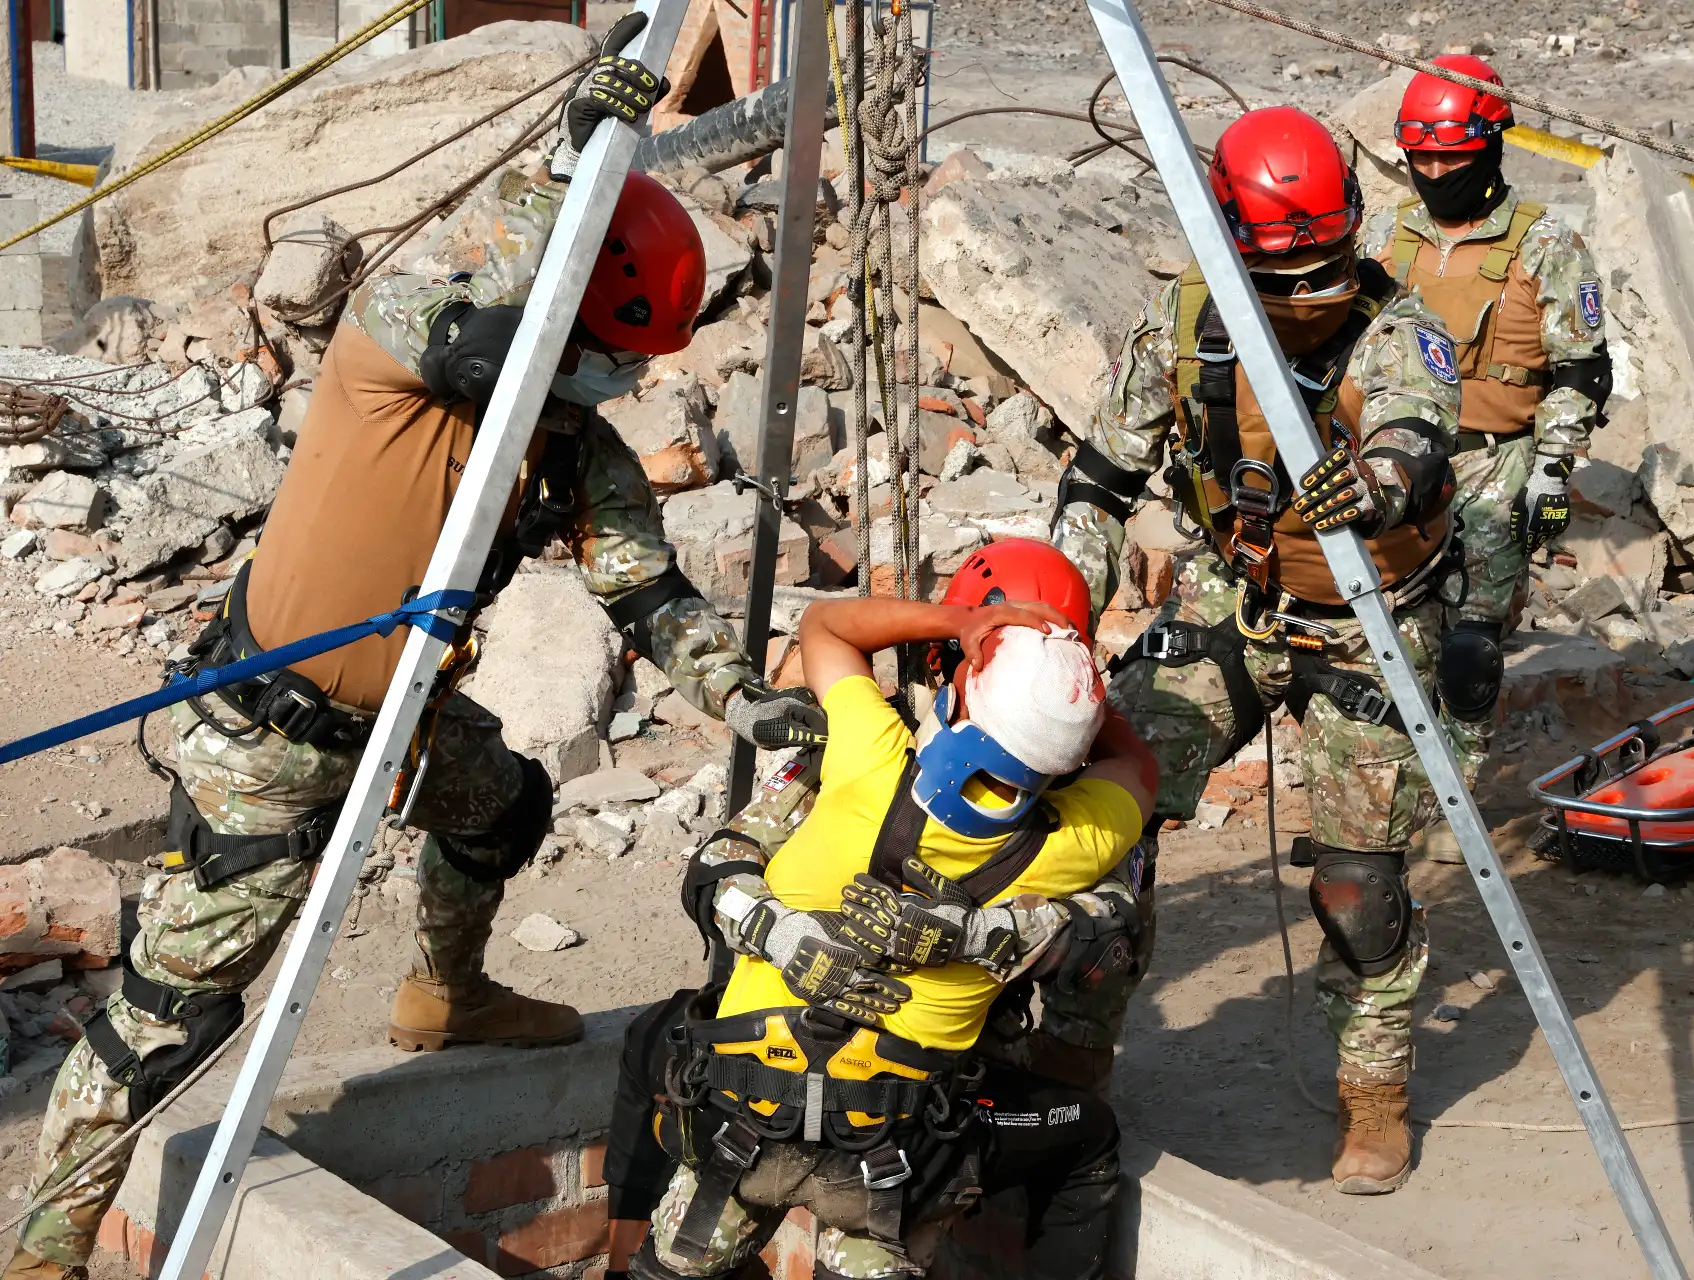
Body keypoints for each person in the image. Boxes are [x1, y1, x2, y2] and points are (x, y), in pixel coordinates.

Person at [5, 20, 819, 1278]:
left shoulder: (568, 446)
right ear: (565, 310)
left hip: (410, 729)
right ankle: (47, 1249)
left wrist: (744, 699)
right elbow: (477, 335)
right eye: (607, 351)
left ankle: (447, 990)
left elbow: (649, 594)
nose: (614, 378)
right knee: (166, 1020)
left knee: (502, 806)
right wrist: (575, 166)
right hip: (270, 742)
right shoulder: (396, 337)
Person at [1048, 105, 1466, 1194]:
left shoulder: (1397, 330)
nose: (1308, 296)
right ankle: (1073, 1050)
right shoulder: (1184, 323)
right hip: (1240, 598)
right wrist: (1053, 611)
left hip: (1370, 617)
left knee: (1358, 884)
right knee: (1102, 814)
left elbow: (1418, 434)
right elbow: (1102, 476)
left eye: (1324, 270)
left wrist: (1376, 481)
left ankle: (1374, 1093)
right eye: (1282, 278)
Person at [615, 569, 1159, 1279]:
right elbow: (1137, 768)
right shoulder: (1076, 843)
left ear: (960, 696)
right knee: (1087, 1134)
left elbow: (826, 625)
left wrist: (960, 622)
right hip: (893, 1163)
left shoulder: (864, 759)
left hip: (741, 1126)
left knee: (661, 1068)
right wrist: (1073, 692)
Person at [1360, 55, 1612, 862]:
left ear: (1492, 148)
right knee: (1384, 636)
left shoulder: (1547, 243)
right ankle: (1374, 798)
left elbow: (1580, 368)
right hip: (1396, 462)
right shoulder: (1386, 236)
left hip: (1495, 467)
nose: (1436, 174)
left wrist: (1553, 468)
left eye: (1453, 159)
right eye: (1422, 159)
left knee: (1470, 646)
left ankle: (1454, 799)